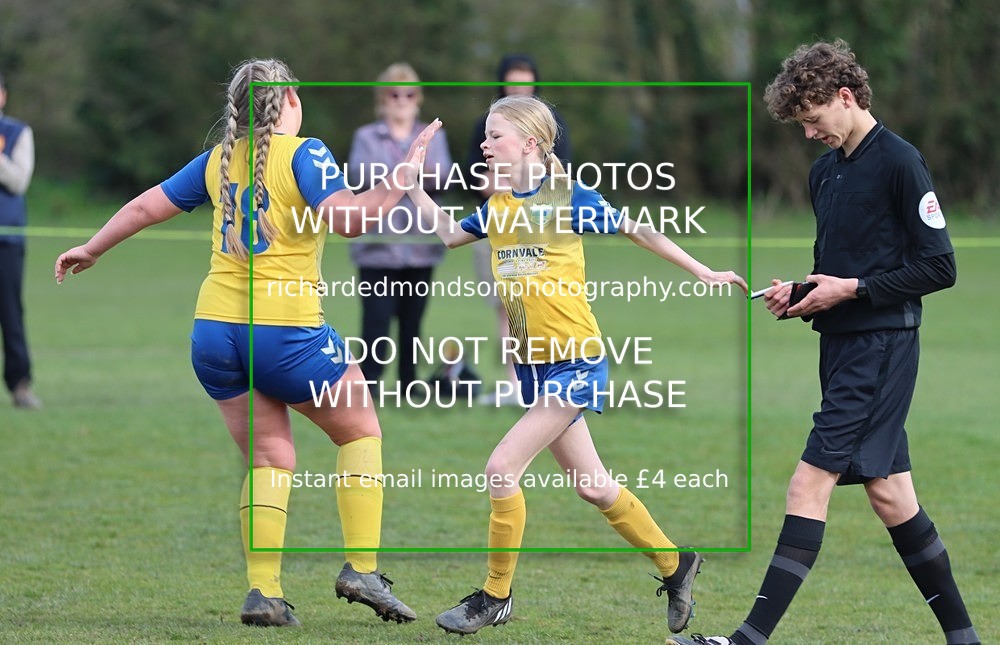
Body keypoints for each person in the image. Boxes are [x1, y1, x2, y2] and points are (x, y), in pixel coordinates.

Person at [55, 58, 440, 628]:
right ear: (286, 102)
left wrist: (92, 247)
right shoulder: (305, 152)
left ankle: (264, 592)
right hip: (284, 332)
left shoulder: (218, 159)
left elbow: (143, 207)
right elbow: (351, 221)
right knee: (362, 429)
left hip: (213, 333)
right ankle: (361, 568)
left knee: (269, 457)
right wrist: (402, 180)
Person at [668, 40, 980, 645]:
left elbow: (940, 268)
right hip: (841, 347)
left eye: (813, 119)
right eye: (802, 124)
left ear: (846, 96)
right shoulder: (824, 173)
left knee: (807, 485)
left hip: (881, 348)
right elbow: (839, 269)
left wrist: (851, 289)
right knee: (892, 497)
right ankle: (965, 640)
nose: (809, 133)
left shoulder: (901, 162)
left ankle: (746, 641)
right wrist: (803, 292)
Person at [403, 93, 748, 635]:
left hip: (576, 364)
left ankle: (495, 596)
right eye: (485, 137)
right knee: (593, 485)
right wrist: (412, 185)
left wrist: (704, 272)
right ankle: (675, 563)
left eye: (496, 136)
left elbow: (638, 228)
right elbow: (448, 235)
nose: (485, 146)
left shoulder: (566, 198)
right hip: (535, 369)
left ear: (531, 144)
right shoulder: (497, 206)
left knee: (500, 469)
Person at [466, 54, 572, 404]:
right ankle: (516, 382)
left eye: (525, 81)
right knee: (506, 306)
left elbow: (557, 181)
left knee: (539, 302)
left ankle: (545, 378)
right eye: (513, 81)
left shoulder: (549, 124)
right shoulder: (488, 123)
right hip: (496, 228)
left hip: (539, 232)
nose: (519, 87)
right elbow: (475, 177)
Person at [348, 62, 451, 390]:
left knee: (412, 323)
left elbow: (444, 175)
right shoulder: (365, 136)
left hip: (420, 247)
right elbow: (360, 176)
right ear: (383, 98)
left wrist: (397, 176)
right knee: (375, 322)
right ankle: (370, 386)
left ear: (418, 98)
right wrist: (409, 172)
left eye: (409, 93)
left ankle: (409, 384)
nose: (402, 100)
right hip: (377, 247)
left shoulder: (434, 136)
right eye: (394, 93)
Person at [0, 71, 41, 410]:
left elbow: (18, 182)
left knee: (10, 312)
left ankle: (20, 385)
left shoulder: (17, 133)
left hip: (6, 240)